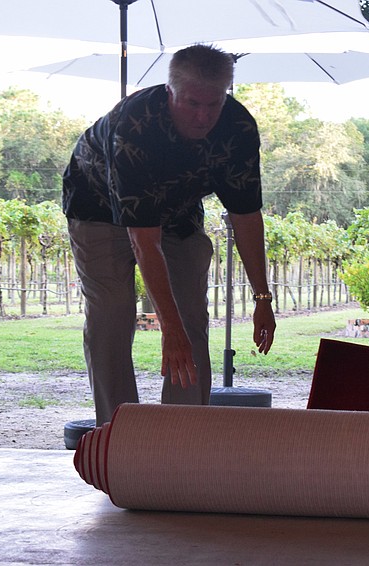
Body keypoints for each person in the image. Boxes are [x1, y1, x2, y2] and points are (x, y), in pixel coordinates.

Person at [62, 44, 276, 426]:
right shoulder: (134, 126)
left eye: (214, 104)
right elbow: (145, 242)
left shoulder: (238, 127)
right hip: (96, 210)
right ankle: (119, 432)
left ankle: (184, 435)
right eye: (193, 103)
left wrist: (262, 297)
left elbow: (246, 216)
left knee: (191, 316)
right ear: (170, 90)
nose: (203, 116)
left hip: (177, 212)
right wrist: (167, 327)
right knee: (112, 313)